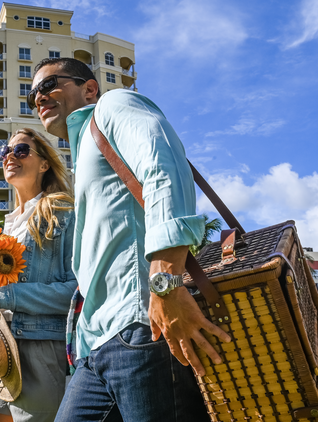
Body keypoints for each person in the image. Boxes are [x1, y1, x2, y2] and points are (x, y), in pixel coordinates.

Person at [27, 58, 233, 421]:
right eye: (32, 96)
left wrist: (165, 284)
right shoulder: (82, 151)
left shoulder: (113, 105)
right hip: (95, 346)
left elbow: (163, 166)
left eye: (48, 85)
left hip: (142, 326)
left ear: (89, 88)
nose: (38, 98)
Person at [0, 128, 77, 422]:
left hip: (41, 350)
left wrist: (7, 295)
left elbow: (78, 292)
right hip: (4, 351)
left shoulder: (60, 214)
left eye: (21, 150)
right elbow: (0, 292)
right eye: (5, 152)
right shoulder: (9, 226)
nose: (9, 156)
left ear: (44, 164)